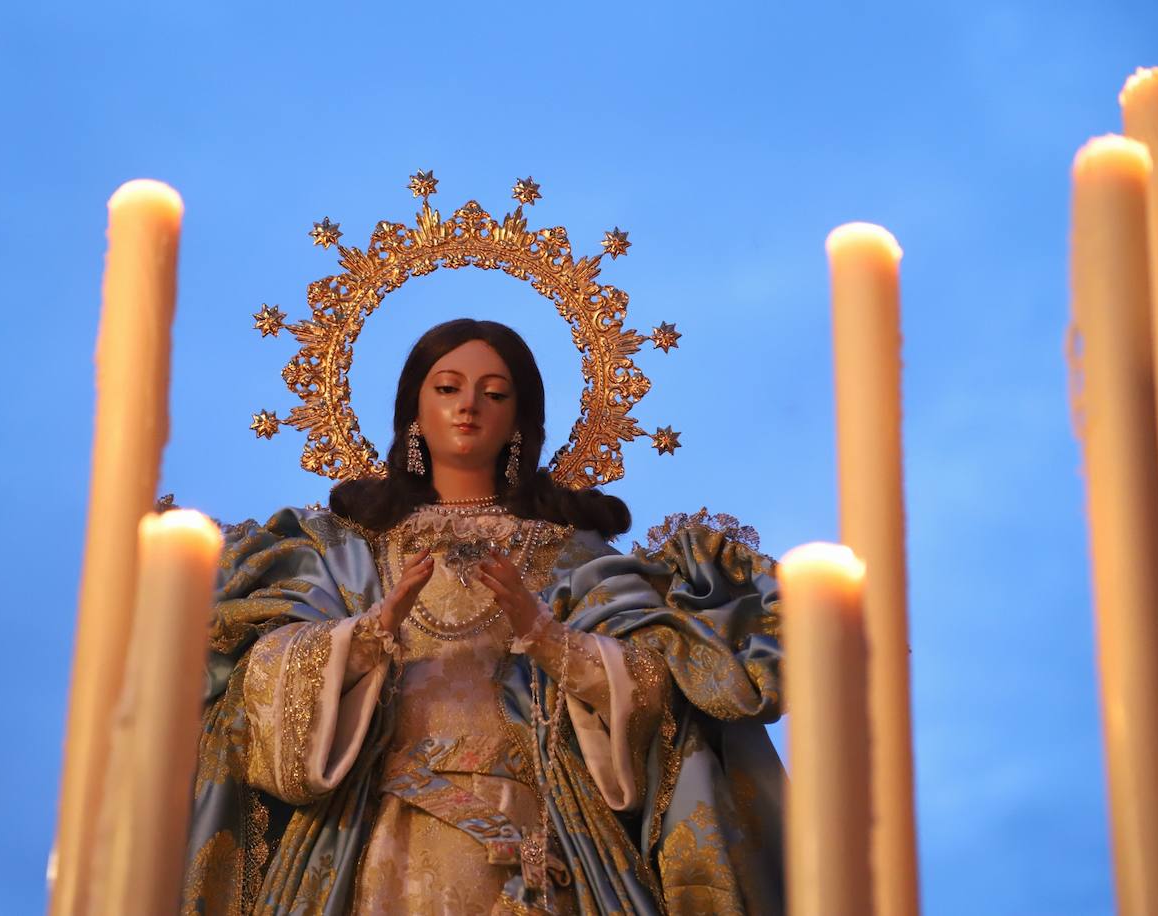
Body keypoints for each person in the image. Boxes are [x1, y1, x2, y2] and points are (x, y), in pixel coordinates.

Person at [183, 318, 785, 915]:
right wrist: (365, 636)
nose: (469, 406)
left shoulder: (573, 554)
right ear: (413, 410)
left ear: (520, 420)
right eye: (447, 388)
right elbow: (258, 674)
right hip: (372, 829)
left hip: (541, 827)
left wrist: (548, 638)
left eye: (494, 394)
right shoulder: (347, 550)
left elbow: (658, 690)